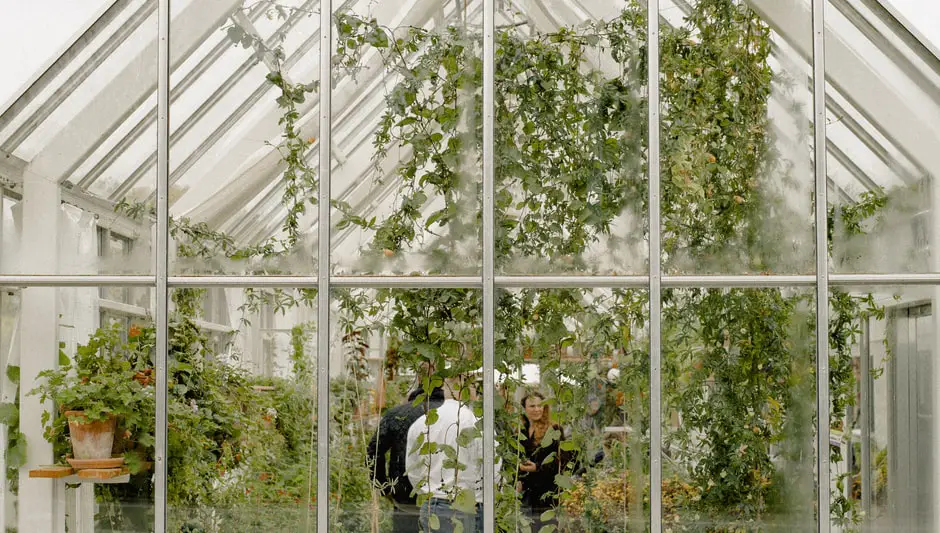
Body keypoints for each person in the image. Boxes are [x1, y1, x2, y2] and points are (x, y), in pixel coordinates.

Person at [406, 383, 485, 533]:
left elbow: (413, 469)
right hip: (469, 506)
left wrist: (429, 491)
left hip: (432, 506)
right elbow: (491, 469)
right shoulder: (477, 423)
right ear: (470, 390)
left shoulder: (421, 423)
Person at [367, 387, 445, 533]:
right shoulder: (454, 416)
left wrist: (383, 486)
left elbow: (374, 451)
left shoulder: (396, 414)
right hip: (443, 496)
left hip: (404, 494)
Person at [518, 391, 567, 531]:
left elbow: (562, 461)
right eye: (532, 406)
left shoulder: (554, 429)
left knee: (547, 527)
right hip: (527, 493)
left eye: (540, 406)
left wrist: (538, 467)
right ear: (524, 409)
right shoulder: (521, 430)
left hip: (548, 492)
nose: (537, 409)